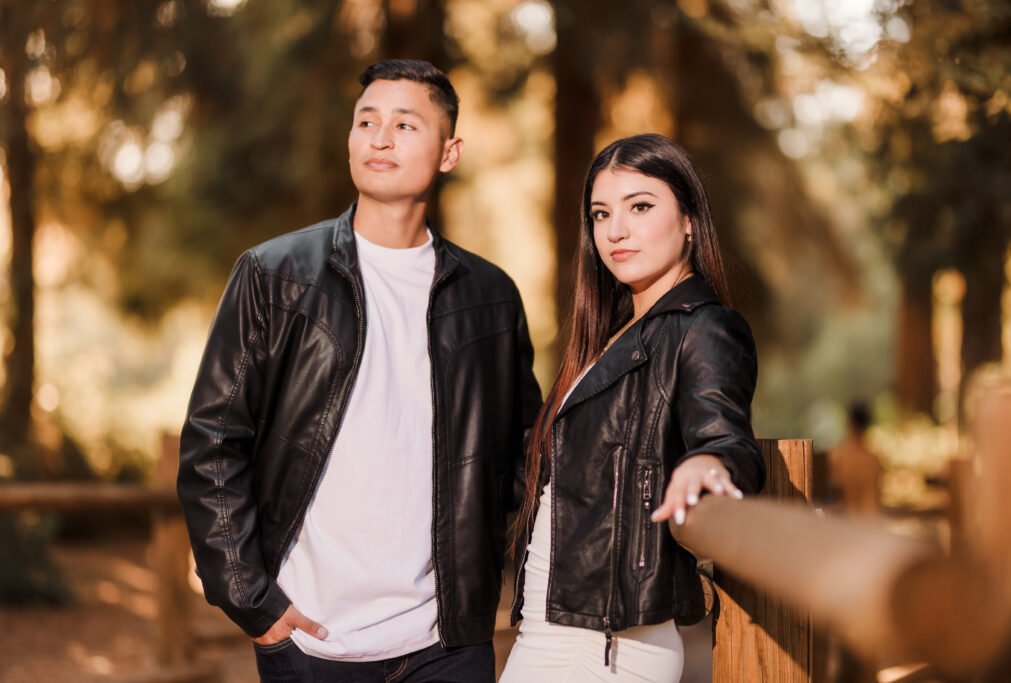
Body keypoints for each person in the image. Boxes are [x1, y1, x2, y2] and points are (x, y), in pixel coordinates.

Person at [177, 59, 542, 683]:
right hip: (308, 644)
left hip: (447, 646)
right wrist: (252, 601)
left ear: (449, 151)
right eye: (366, 121)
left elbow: (521, 459)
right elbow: (214, 443)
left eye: (405, 124)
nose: (380, 137)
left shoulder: (490, 296)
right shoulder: (274, 276)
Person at [500, 134, 765, 682]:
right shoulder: (609, 338)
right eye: (601, 214)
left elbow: (727, 438)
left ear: (689, 218)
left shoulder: (704, 327)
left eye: (640, 206)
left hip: (606, 646)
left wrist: (708, 463)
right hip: (553, 628)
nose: (615, 230)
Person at [827, 403, 882, 517]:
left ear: (849, 423)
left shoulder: (837, 456)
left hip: (849, 521)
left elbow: (834, 492)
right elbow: (877, 496)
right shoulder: (875, 459)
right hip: (872, 520)